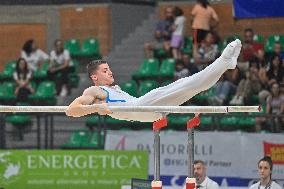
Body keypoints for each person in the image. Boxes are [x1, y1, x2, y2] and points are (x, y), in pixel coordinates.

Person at [66, 39, 242, 122]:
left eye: (109, 68)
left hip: (149, 111)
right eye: (105, 71)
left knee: (191, 86)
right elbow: (71, 111)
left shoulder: (114, 89)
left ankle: (224, 64)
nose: (110, 72)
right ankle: (224, 61)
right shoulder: (94, 91)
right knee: (176, 86)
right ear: (94, 77)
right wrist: (96, 107)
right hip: (139, 109)